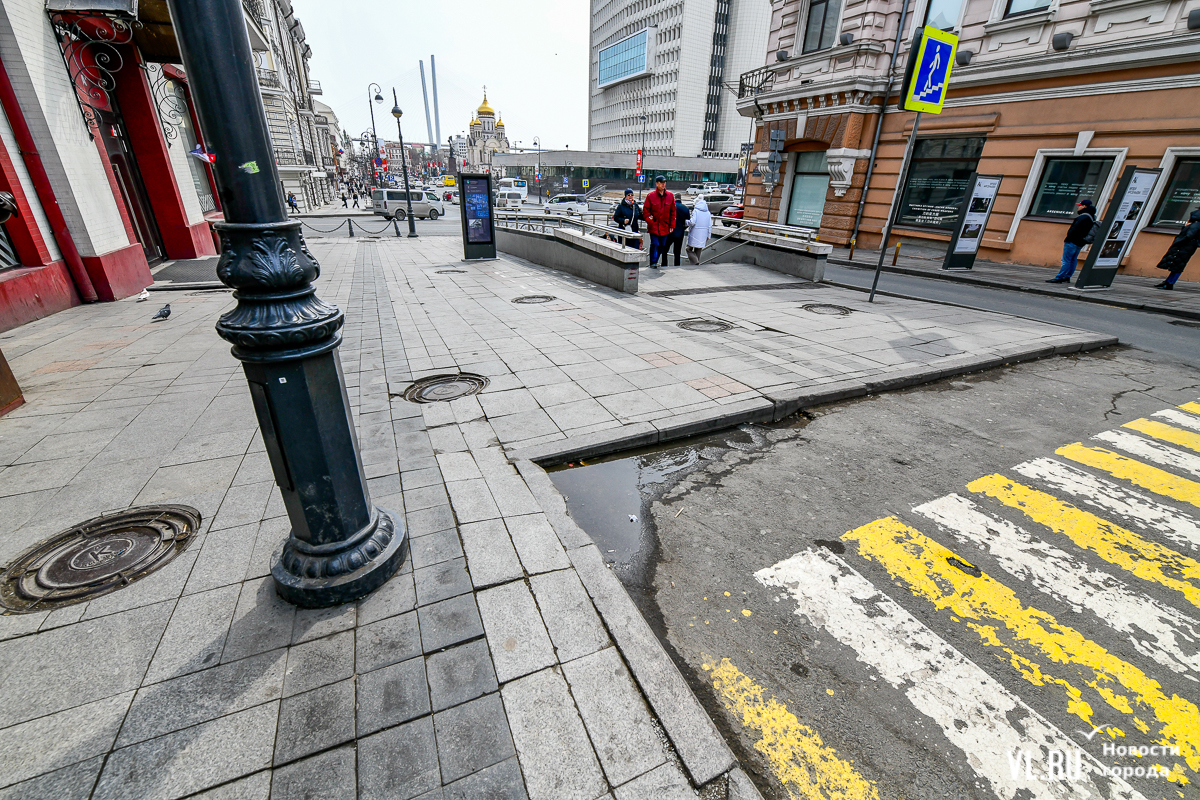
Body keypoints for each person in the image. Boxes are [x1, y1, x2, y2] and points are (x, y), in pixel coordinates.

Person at [1047, 198, 1096, 283]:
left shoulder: (1082, 217)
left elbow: (1074, 229)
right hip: (1080, 242)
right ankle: (1067, 276)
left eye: (1080, 205)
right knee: (1073, 259)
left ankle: (1060, 277)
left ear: (1084, 206)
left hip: (1072, 241)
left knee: (1066, 260)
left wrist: (1069, 238)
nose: (1078, 207)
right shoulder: (1091, 217)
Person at [1153, 208, 1200, 290]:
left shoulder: (1195, 224)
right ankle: (1168, 282)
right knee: (1177, 265)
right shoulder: (1196, 224)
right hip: (1187, 246)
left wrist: (1179, 241)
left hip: (1185, 246)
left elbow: (1189, 235)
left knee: (1178, 265)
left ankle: (1169, 283)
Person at [642, 176, 676, 268]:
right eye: (661, 182)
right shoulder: (651, 196)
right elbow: (645, 212)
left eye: (664, 182)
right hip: (654, 225)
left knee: (662, 245)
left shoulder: (670, 196)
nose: (663, 184)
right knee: (655, 243)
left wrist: (672, 225)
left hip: (664, 226)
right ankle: (653, 262)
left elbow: (673, 212)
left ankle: (655, 260)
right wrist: (650, 221)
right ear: (657, 184)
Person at [687, 196, 713, 265]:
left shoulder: (696, 211)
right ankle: (696, 264)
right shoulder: (708, 212)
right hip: (704, 234)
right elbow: (710, 225)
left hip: (695, 233)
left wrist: (686, 222)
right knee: (698, 250)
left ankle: (695, 261)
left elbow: (692, 222)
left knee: (688, 249)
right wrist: (708, 235)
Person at [670, 195, 691, 266]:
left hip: (670, 231)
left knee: (665, 250)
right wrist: (683, 228)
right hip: (680, 232)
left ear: (674, 198)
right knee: (677, 251)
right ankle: (677, 265)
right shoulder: (685, 208)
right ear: (680, 198)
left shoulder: (671, 206)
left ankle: (664, 264)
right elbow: (688, 222)